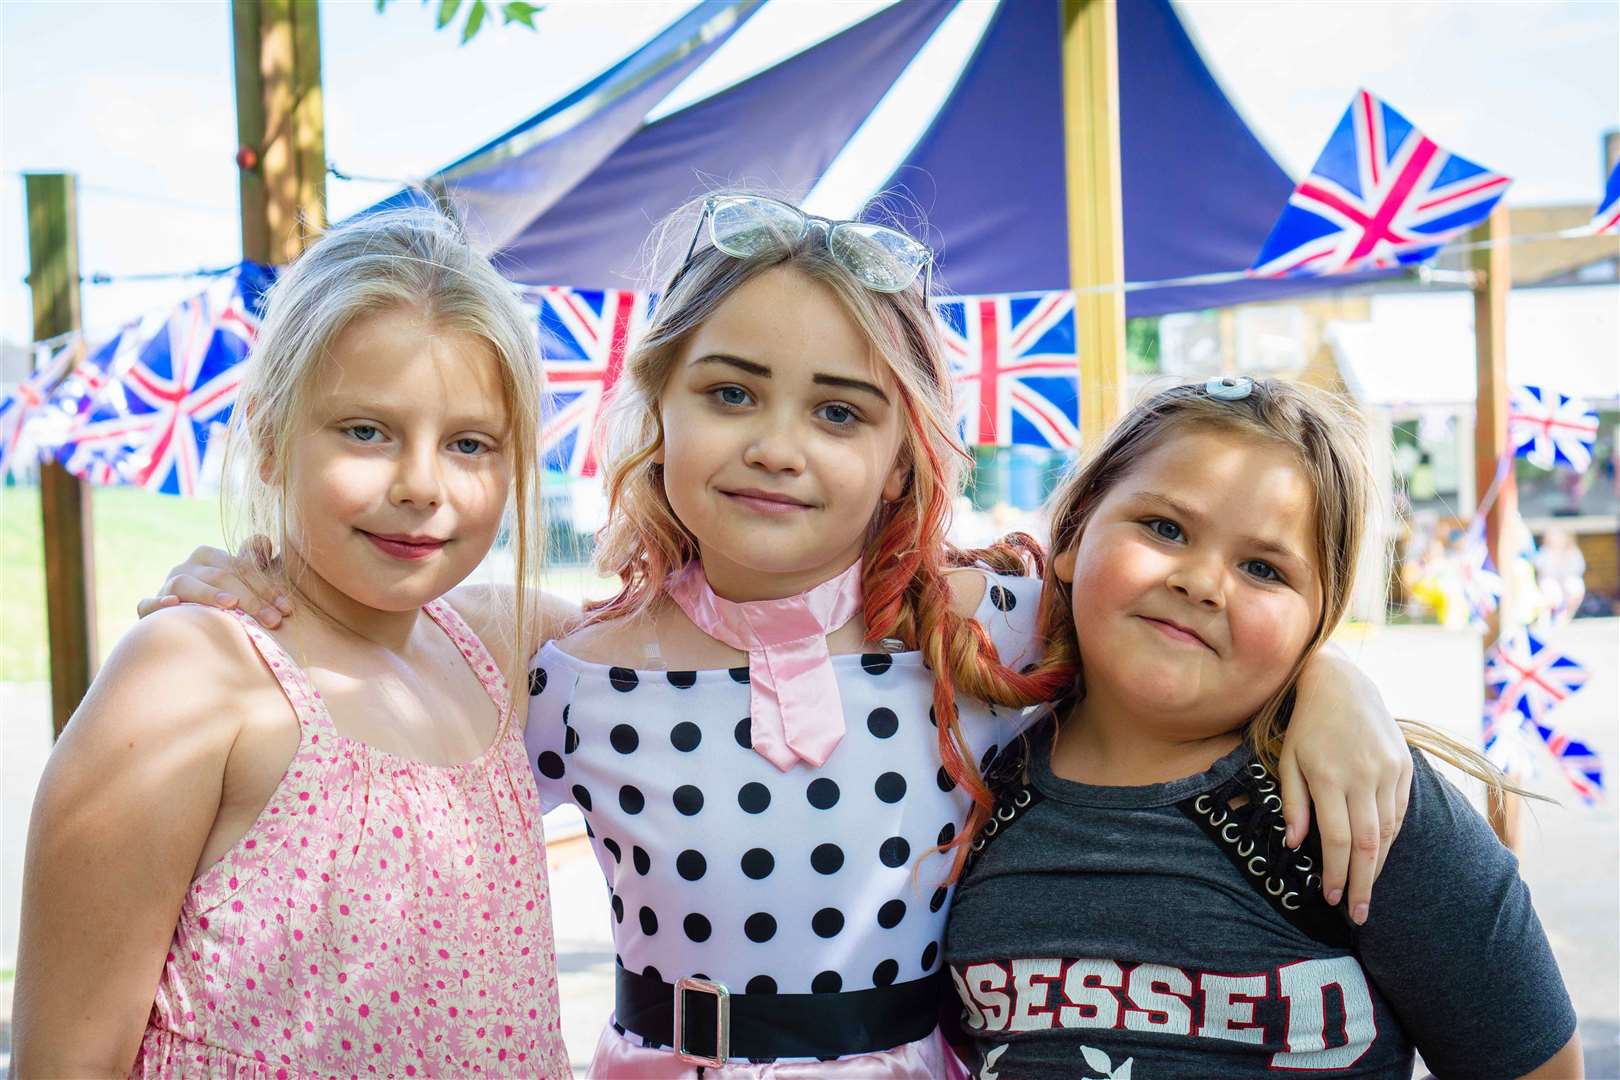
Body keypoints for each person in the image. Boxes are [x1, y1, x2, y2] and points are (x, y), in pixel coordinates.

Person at [138, 195, 1413, 1078]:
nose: (776, 444)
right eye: (731, 391)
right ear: (657, 404)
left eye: (840, 411)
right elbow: (384, 644)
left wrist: (1329, 681)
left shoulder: (992, 628)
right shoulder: (563, 661)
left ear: (905, 448)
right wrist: (261, 575)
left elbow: (1189, 639)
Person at [12, 209, 572, 1078]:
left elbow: (712, 610)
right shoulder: (192, 680)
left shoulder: (503, 650)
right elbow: (65, 1062)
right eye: (366, 431)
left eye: (470, 444)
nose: (422, 485)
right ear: (270, 439)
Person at [944, 377, 1581, 1078]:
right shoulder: (967, 776)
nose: (1203, 582)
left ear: (1319, 620)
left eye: (1263, 569)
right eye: (1165, 528)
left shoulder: (1363, 801)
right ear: (1073, 536)